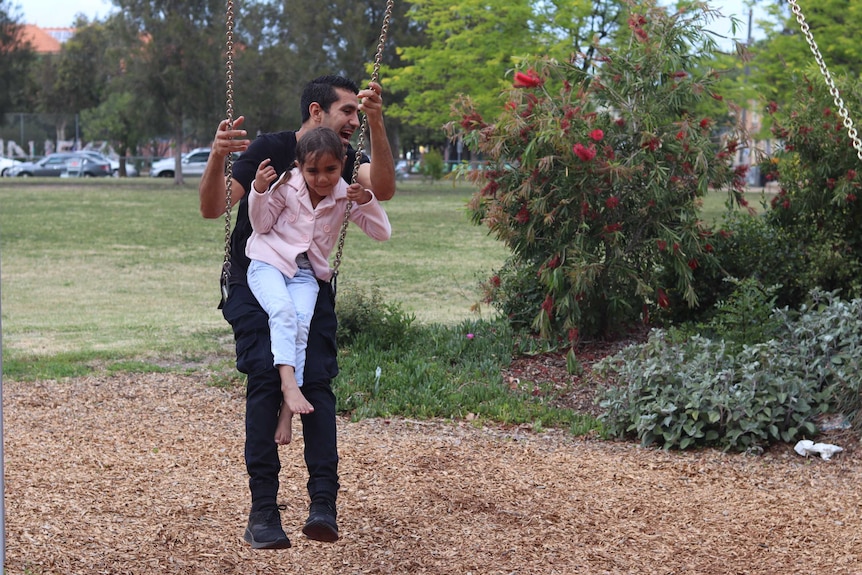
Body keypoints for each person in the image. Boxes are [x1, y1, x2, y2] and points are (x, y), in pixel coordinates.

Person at [199, 75, 396, 549]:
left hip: (310, 281)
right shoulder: (271, 148)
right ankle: (263, 511)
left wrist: (377, 120)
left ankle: (323, 504)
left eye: (357, 113)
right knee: (268, 371)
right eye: (348, 111)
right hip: (254, 276)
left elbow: (383, 191)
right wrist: (217, 156)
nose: (353, 120)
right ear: (316, 111)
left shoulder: (349, 157)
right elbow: (213, 208)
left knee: (317, 379)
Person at [245, 126, 391, 446]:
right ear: (299, 166)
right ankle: (288, 385)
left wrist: (366, 200)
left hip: (306, 274)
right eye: (312, 171)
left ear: (342, 164)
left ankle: (286, 411)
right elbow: (261, 224)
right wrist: (259, 190)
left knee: (300, 326)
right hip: (268, 264)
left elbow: (382, 233)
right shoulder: (286, 187)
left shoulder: (345, 196)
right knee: (282, 312)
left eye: (331, 170)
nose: (322, 179)